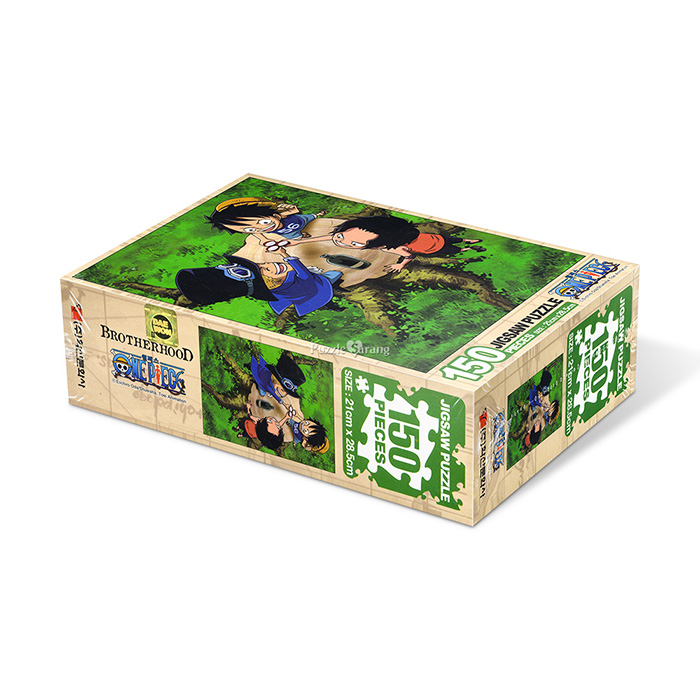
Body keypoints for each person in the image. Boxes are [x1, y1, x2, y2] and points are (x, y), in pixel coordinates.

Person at [284, 214, 484, 271]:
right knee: (452, 240)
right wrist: (296, 243)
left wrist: (400, 265)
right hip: (432, 238)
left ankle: (467, 246)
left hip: (432, 247)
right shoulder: (388, 240)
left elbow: (409, 255)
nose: (342, 243)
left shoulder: (394, 247)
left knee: (451, 249)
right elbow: (330, 237)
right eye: (342, 237)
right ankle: (468, 241)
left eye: (355, 245)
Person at [206, 197, 326, 240]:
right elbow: (257, 233)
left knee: (311, 217)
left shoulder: (281, 216)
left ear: (275, 215)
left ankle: (318, 214)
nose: (261, 228)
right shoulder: (260, 231)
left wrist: (292, 209)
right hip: (288, 233)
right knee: (297, 237)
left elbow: (294, 211)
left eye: (264, 222)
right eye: (249, 229)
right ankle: (303, 235)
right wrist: (263, 239)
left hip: (300, 220)